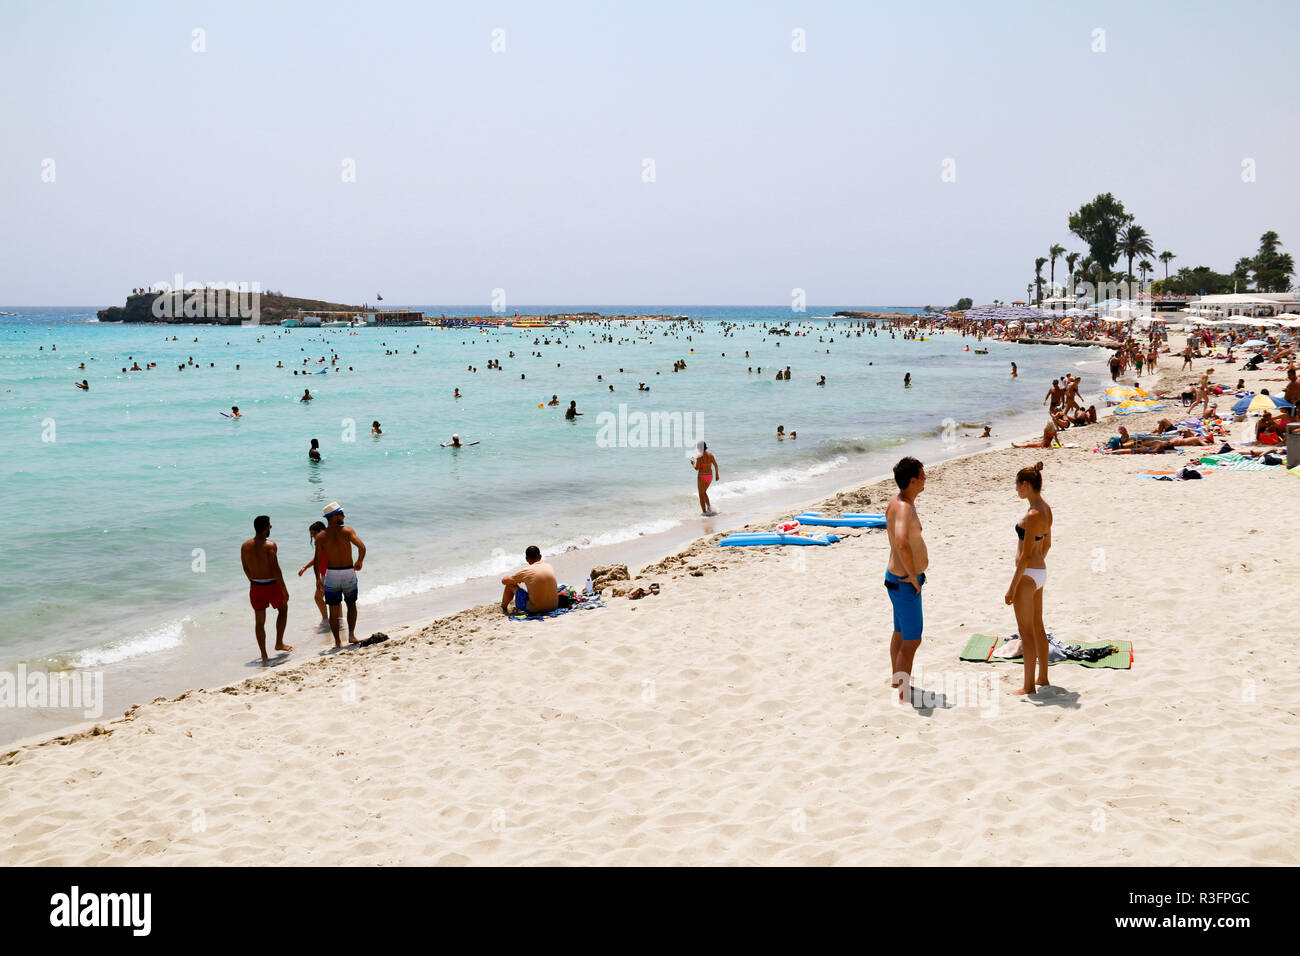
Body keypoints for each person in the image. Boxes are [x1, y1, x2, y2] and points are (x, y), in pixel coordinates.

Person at [1005, 463, 1052, 695]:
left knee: (1026, 631)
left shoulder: (1033, 514)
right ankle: (1043, 677)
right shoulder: (1046, 508)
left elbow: (1024, 557)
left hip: (1028, 575)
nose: (1016, 490)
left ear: (1025, 485)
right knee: (1038, 626)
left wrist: (1012, 587)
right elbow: (1048, 544)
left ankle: (1028, 686)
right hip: (1040, 572)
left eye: (1017, 485)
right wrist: (1037, 565)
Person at [885, 457, 927, 702]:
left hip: (895, 579)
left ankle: (896, 680)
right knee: (912, 639)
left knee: (900, 633)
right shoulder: (904, 508)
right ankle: (903, 693)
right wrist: (913, 577)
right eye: (922, 475)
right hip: (903, 582)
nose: (925, 479)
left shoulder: (897, 501)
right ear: (912, 480)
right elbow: (900, 542)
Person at [314, 502, 366, 647]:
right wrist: (359, 561)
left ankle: (337, 641)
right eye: (341, 514)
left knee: (333, 608)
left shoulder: (321, 536)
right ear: (334, 516)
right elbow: (362, 547)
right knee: (351, 605)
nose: (344, 516)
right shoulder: (347, 531)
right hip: (348, 572)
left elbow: (317, 560)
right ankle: (351, 636)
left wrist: (318, 579)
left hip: (331, 575)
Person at [241, 515, 292, 662]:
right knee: (283, 609)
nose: (271, 527)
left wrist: (254, 581)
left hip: (256, 586)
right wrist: (283, 588)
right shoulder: (270, 545)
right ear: (265, 528)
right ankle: (279, 643)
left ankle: (264, 655)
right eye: (269, 525)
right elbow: (275, 569)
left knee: (259, 621)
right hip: (271, 584)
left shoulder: (245, 546)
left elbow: (245, 567)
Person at [500, 545, 559, 615]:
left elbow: (504, 581)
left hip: (536, 609)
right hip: (554, 606)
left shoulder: (526, 571)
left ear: (526, 559)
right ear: (540, 556)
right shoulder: (549, 566)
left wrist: (515, 579)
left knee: (510, 584)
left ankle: (503, 608)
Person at [297, 520, 330, 631]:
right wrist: (305, 567)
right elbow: (317, 558)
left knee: (318, 597)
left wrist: (305, 568)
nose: (314, 537)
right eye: (312, 535)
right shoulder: (328, 540)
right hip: (329, 573)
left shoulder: (322, 542)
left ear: (321, 531)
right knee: (333, 599)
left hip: (327, 574)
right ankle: (337, 620)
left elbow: (317, 559)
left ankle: (326, 620)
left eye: (315, 534)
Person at [692, 440, 719, 515]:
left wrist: (693, 463)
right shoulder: (710, 455)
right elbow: (716, 465)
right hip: (710, 476)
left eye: (697, 447)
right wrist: (717, 475)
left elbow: (697, 468)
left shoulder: (699, 456)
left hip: (702, 476)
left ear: (700, 447)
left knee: (701, 494)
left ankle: (704, 513)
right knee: (704, 492)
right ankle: (709, 508)